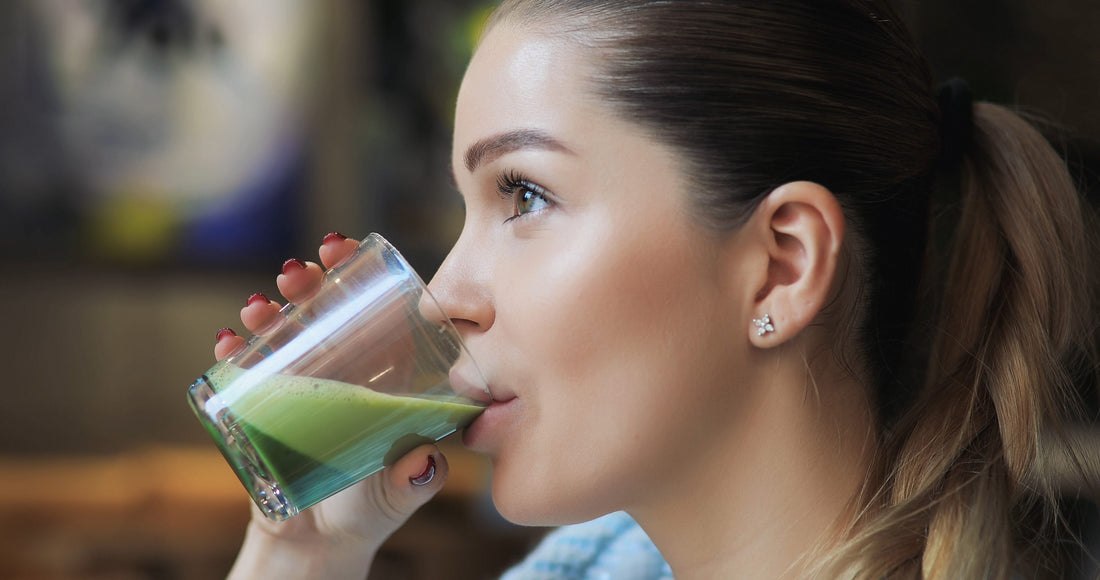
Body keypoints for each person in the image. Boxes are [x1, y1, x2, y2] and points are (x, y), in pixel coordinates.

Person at [212, 0, 1100, 577]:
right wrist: (304, 554)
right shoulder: (586, 569)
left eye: (523, 194)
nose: (442, 299)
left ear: (782, 264)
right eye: (469, 206)